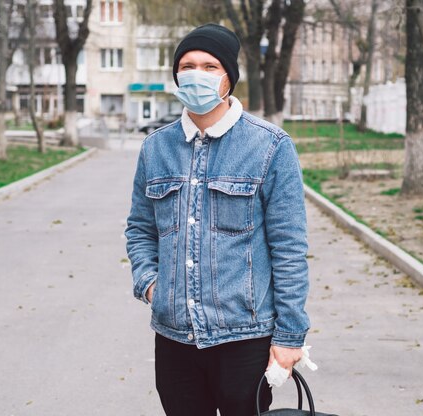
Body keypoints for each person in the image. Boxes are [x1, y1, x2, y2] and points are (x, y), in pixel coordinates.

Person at [125, 23, 310, 416]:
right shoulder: (155, 149)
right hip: (174, 339)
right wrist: (151, 286)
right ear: (176, 75)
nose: (196, 74)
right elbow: (140, 229)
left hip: (245, 337)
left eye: (209, 66)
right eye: (187, 65)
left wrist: (290, 336)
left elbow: (289, 247)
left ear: (229, 77)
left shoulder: (270, 147)